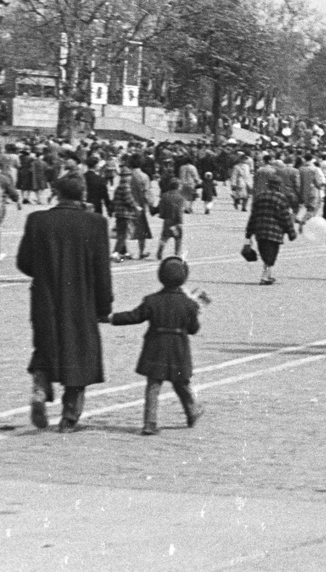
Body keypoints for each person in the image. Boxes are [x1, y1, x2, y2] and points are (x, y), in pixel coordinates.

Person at [18, 175, 114, 432]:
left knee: (46, 343)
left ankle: (40, 386)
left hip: (44, 296)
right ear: (83, 194)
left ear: (56, 192)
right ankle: (69, 417)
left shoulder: (37, 220)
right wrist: (104, 307)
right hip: (81, 299)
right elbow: (102, 271)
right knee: (79, 352)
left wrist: (46, 271)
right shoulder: (96, 223)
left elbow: (24, 262)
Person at [104, 257, 203, 435]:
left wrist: (111, 318)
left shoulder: (152, 300)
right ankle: (192, 412)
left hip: (156, 346)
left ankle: (149, 423)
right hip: (178, 348)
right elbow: (194, 329)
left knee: (153, 386)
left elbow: (134, 316)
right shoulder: (189, 304)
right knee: (182, 384)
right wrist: (196, 312)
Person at [245, 176, 298, 285]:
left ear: (268, 185)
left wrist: (249, 233)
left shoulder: (259, 197)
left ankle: (267, 276)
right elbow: (285, 216)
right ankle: (265, 277)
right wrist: (291, 232)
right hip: (275, 231)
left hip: (260, 230)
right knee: (271, 255)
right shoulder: (281, 198)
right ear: (279, 186)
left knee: (265, 253)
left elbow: (253, 215)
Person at [154, 177, 185, 260]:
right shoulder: (180, 197)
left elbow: (161, 207)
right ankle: (177, 253)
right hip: (176, 221)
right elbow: (179, 210)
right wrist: (180, 220)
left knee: (164, 237)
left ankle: (160, 250)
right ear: (178, 186)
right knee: (178, 238)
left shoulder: (165, 195)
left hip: (167, 220)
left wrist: (162, 215)